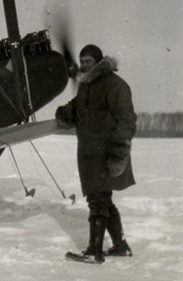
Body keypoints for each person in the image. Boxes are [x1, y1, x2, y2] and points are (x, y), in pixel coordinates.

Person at [55, 44, 136, 264]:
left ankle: (94, 252)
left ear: (99, 62)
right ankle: (120, 246)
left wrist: (119, 153)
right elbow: (80, 106)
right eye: (81, 61)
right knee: (102, 199)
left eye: (88, 62)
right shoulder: (86, 85)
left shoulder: (115, 85)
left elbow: (127, 120)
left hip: (106, 152)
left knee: (98, 200)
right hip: (89, 151)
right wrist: (66, 112)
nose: (82, 66)